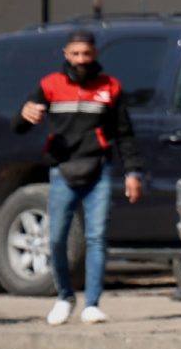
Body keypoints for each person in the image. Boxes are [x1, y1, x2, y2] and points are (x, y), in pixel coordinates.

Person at [16, 30, 144, 326]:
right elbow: (19, 126)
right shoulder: (49, 85)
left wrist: (133, 172)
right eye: (75, 54)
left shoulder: (110, 86)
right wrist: (25, 114)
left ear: (94, 54)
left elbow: (124, 134)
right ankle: (64, 297)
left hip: (98, 169)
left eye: (86, 54)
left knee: (96, 237)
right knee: (56, 238)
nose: (81, 60)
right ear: (66, 54)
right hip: (62, 170)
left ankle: (93, 304)